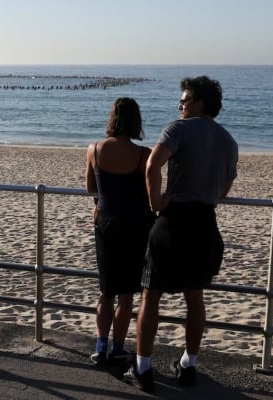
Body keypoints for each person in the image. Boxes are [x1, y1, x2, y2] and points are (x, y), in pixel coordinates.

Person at [123, 76, 238, 392]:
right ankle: (189, 364)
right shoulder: (229, 141)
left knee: (151, 294)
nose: (180, 105)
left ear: (199, 103)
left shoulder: (178, 129)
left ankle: (143, 369)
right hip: (205, 223)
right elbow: (225, 189)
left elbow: (152, 165)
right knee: (195, 296)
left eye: (184, 100)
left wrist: (154, 201)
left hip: (173, 222)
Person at [85, 98, 153, 369]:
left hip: (106, 224)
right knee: (127, 296)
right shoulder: (143, 155)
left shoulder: (95, 149)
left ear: (111, 118)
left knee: (106, 291)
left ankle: (100, 347)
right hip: (135, 226)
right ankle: (118, 348)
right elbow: (150, 194)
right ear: (137, 121)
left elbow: (91, 189)